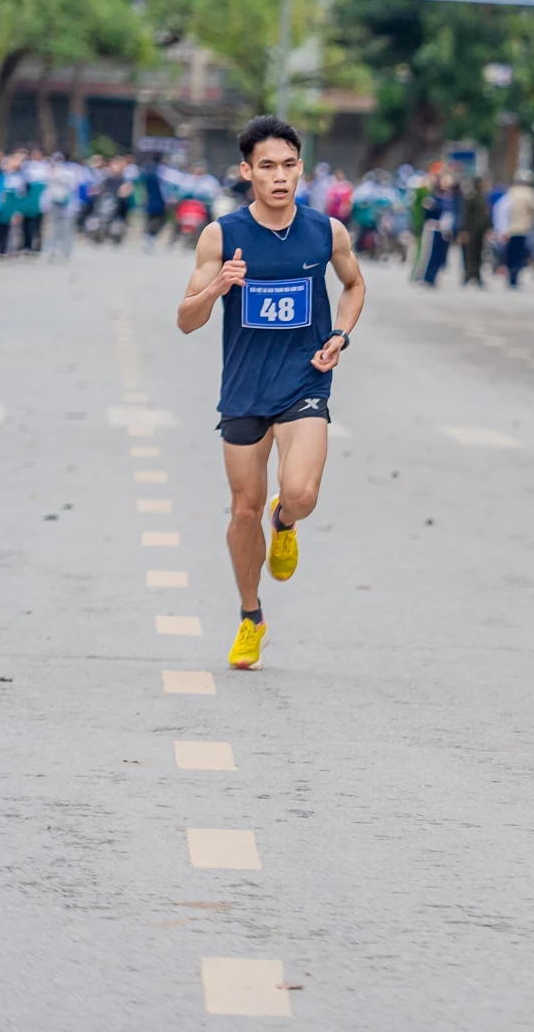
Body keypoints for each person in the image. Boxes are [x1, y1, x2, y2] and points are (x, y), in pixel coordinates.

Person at [175, 117, 365, 672]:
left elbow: (353, 285)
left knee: (299, 493)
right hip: (244, 388)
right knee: (242, 510)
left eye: (288, 165)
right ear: (246, 172)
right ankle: (251, 617)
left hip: (305, 379)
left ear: (300, 168)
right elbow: (186, 321)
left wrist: (341, 334)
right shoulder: (222, 235)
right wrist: (217, 287)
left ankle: (287, 523)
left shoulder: (326, 231)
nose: (279, 177)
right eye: (266, 167)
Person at [502, 170, 534, 288]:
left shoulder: (510, 192)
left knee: (511, 254)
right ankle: (516, 274)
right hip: (524, 229)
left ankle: (511, 276)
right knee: (522, 255)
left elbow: (502, 210)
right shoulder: (530, 193)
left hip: (510, 229)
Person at [457, 178, 488, 287]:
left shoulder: (483, 197)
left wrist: (489, 228)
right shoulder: (470, 197)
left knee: (479, 254)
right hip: (471, 231)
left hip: (480, 231)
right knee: (469, 254)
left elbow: (486, 215)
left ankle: (476, 275)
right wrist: (463, 231)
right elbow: (465, 215)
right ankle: (468, 274)